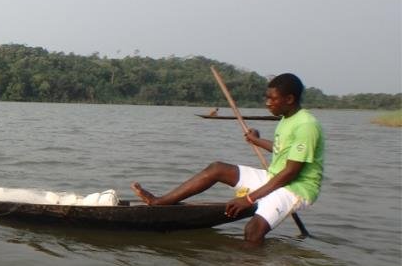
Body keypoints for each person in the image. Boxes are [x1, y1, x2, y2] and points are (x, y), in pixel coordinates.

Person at [131, 73, 324, 245]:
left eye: (272, 99)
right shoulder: (286, 119)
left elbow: (291, 172)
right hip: (275, 177)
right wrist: (256, 141)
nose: (267, 103)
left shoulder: (306, 125)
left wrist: (248, 199)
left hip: (296, 187)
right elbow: (282, 150)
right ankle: (160, 202)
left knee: (252, 231)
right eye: (267, 98)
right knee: (217, 168)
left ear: (289, 99)